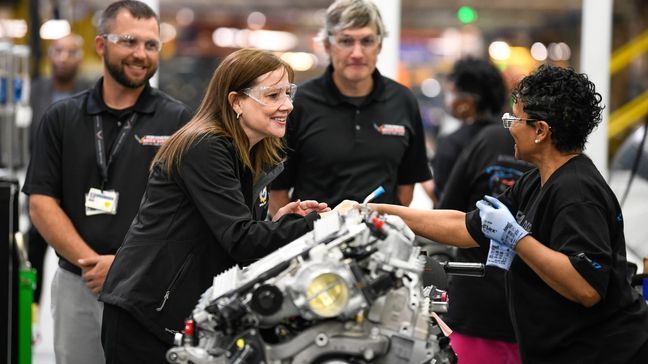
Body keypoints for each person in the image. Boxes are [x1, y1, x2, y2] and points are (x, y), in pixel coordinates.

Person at [369, 65, 648, 363]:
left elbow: (586, 287)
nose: (510, 127)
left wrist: (516, 238)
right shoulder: (536, 180)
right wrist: (375, 211)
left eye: (515, 118)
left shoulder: (576, 191)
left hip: (604, 353)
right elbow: (464, 226)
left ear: (540, 130)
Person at [99, 48, 332, 362]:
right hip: (146, 315)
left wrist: (277, 224)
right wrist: (323, 223)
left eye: (288, 93)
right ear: (236, 101)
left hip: (180, 316)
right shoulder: (206, 146)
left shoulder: (249, 153)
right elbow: (241, 240)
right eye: (273, 95)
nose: (287, 105)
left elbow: (228, 232)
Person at [22, 1, 192, 363]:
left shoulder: (178, 122)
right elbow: (41, 202)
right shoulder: (62, 118)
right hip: (78, 283)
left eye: (151, 45)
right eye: (129, 41)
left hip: (149, 286)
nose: (141, 54)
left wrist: (124, 268)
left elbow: (184, 212)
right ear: (101, 45)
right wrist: (92, 263)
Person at [268, 0, 431, 215]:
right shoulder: (297, 104)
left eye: (367, 41)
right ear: (327, 45)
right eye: (346, 41)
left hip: (382, 240)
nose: (357, 53)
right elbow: (277, 190)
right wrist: (296, 235)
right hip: (315, 243)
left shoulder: (403, 101)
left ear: (379, 45)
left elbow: (406, 187)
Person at [435, 58, 531, 364]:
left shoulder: (460, 144)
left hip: (476, 295)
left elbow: (445, 213)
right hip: (530, 301)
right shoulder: (540, 153)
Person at [27, 33, 90, 308]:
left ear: (81, 57)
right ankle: (31, 312)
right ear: (50, 55)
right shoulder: (35, 89)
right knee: (33, 248)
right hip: (43, 182)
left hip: (79, 184)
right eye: (58, 51)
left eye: (71, 52)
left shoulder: (91, 93)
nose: (63, 58)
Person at [432, 58, 506, 202]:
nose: (449, 100)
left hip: (461, 223)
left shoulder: (452, 143)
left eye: (452, 92)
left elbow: (442, 198)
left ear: (467, 102)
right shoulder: (513, 136)